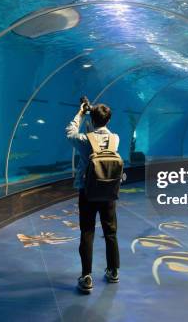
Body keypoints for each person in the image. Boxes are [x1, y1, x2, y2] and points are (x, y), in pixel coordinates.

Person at [66, 101, 120, 294]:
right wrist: (96, 116)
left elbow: (70, 132)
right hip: (109, 193)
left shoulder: (84, 139)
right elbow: (102, 134)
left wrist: (81, 114)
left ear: (92, 118)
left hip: (87, 192)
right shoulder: (116, 138)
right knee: (110, 232)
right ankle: (113, 271)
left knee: (87, 231)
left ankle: (87, 276)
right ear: (109, 119)